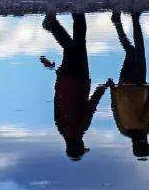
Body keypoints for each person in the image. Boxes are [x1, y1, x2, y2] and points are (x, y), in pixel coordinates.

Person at [40, 12, 110, 160]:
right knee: (72, 47)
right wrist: (59, 81)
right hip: (64, 79)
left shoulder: (81, 127)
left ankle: (64, 19)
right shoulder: (60, 127)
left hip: (79, 78)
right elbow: (56, 101)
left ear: (79, 144)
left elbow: (92, 105)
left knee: (77, 44)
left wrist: (104, 87)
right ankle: (59, 20)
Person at [108, 10, 149, 159]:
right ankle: (117, 22)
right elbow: (114, 108)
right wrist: (112, 88)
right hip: (122, 86)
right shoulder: (123, 130)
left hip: (138, 84)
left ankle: (135, 18)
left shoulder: (145, 128)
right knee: (130, 52)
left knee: (139, 49)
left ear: (145, 143)